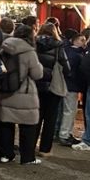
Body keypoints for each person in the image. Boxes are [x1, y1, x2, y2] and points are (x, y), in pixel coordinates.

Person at [0, 24, 44, 164]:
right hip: (25, 93)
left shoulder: (4, 48)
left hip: (6, 92)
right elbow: (37, 74)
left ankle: (5, 154)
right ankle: (27, 157)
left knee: (5, 124)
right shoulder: (29, 52)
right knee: (28, 126)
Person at [34, 22, 69, 155]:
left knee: (36, 117)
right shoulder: (59, 46)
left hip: (36, 85)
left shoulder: (34, 44)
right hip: (53, 86)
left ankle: (30, 145)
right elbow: (67, 68)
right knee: (50, 118)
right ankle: (45, 149)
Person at [57, 29, 86, 146]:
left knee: (66, 110)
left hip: (65, 84)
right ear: (74, 41)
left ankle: (64, 133)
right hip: (71, 85)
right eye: (81, 40)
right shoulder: (78, 55)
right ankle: (64, 134)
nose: (84, 42)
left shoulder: (66, 51)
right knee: (70, 110)